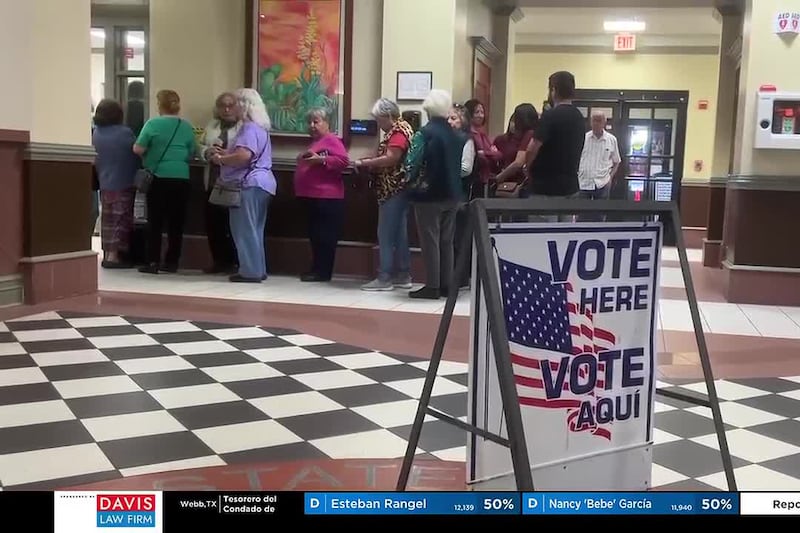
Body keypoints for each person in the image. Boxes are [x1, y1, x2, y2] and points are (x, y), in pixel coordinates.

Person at [403, 89, 466, 300]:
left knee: (430, 240)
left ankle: (432, 286)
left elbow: (412, 162)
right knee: (447, 241)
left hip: (429, 194)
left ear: (428, 109)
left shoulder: (424, 133)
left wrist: (408, 181)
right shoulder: (456, 135)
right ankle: (447, 285)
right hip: (454, 193)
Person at [209, 88, 276, 283]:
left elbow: (243, 156)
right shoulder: (261, 128)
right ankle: (257, 269)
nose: (232, 107)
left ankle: (250, 271)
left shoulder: (248, 128)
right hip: (264, 183)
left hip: (249, 183)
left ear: (244, 106)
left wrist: (220, 158)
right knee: (255, 228)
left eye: (236, 103)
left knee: (243, 228)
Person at [352, 98, 415, 291]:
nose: (378, 124)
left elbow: (391, 159)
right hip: (400, 189)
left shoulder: (398, 131)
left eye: (379, 120)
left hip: (393, 188)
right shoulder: (402, 129)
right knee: (399, 234)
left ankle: (385, 277)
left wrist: (365, 163)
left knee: (386, 233)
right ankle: (404, 275)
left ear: (388, 116)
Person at [133, 89, 196, 274]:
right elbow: (192, 151)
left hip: (159, 176)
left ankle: (152, 262)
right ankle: (172, 262)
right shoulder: (185, 126)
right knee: (176, 223)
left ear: (159, 105)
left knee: (155, 222)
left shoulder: (153, 124)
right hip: (182, 178)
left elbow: (138, 148)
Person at [293, 108, 350, 282]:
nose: (312, 126)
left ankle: (322, 272)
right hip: (312, 196)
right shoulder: (316, 142)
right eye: (309, 122)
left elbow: (343, 161)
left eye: (316, 122)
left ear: (327, 123)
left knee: (324, 236)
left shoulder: (331, 140)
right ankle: (316, 269)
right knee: (316, 235)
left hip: (326, 197)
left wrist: (320, 160)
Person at [524, 71, 586, 221]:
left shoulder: (550, 116)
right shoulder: (579, 117)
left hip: (545, 186)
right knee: (564, 236)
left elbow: (532, 147)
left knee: (542, 236)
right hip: (570, 185)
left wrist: (527, 167)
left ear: (553, 90)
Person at [92, 99, 141, 268]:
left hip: (105, 181)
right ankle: (115, 256)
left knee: (108, 218)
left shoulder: (96, 133)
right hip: (124, 180)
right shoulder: (125, 133)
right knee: (121, 218)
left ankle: (107, 253)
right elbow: (136, 154)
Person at [198, 92, 241, 274]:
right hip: (211, 181)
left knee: (232, 226)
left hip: (232, 183)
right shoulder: (212, 126)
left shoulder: (244, 128)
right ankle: (219, 262)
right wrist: (207, 151)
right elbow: (199, 145)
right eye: (223, 106)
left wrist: (225, 154)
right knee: (213, 224)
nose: (226, 109)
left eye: (231, 105)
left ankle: (236, 262)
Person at [577, 110, 621, 222]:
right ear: (590, 122)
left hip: (603, 182)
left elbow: (617, 161)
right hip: (584, 182)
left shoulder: (611, 140)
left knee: (600, 215)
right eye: (594, 120)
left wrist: (610, 178)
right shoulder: (583, 138)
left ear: (604, 122)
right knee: (581, 215)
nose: (596, 123)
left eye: (599, 120)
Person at [463, 99, 502, 198]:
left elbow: (499, 155)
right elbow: (481, 158)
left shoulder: (483, 134)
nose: (480, 115)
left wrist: (486, 152)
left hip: (486, 179)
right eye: (477, 112)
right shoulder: (468, 134)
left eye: (482, 112)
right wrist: (490, 152)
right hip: (475, 179)